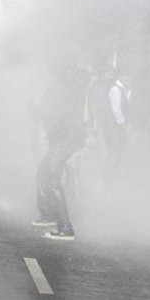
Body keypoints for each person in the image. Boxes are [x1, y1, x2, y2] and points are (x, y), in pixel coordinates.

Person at [31, 62, 89, 241]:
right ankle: (49, 215)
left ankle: (65, 227)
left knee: (53, 177)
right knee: (44, 173)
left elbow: (52, 113)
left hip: (64, 138)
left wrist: (33, 109)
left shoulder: (59, 88)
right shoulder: (73, 87)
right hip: (66, 137)